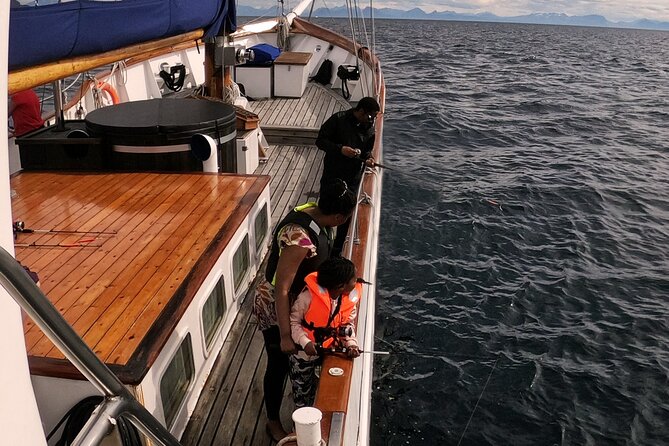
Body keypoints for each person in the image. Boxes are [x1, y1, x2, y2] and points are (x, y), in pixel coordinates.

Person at [252, 179, 356, 441]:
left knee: (296, 360)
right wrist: (286, 335)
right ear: (339, 216)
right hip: (276, 305)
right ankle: (273, 422)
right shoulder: (299, 238)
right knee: (277, 363)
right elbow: (282, 288)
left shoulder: (313, 211)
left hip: (299, 301)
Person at [289, 256, 361, 408]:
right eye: (354, 279)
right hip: (303, 355)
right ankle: (299, 420)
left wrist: (351, 344)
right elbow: (294, 322)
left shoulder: (347, 301)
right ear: (341, 285)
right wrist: (305, 342)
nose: (357, 282)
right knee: (302, 392)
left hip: (329, 350)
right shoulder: (306, 298)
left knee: (323, 386)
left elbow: (347, 324)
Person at [315, 96, 380, 255]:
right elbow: (320, 141)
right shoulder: (338, 119)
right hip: (333, 174)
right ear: (361, 111)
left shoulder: (369, 128)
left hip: (353, 177)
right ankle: (319, 243)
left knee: (347, 213)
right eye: (371, 115)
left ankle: (336, 250)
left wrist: (369, 159)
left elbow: (367, 151)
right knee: (326, 208)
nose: (372, 120)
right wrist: (340, 149)